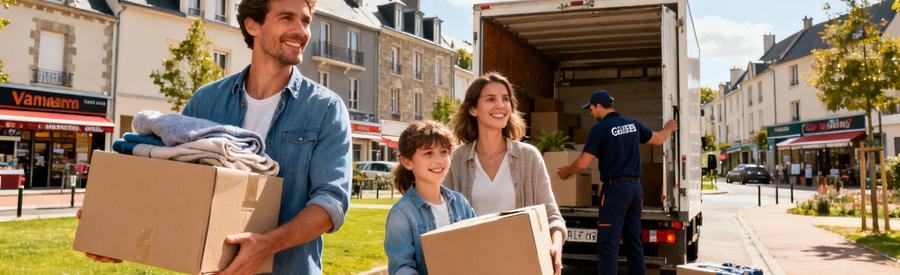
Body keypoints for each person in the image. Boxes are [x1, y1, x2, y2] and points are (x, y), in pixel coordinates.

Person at [81, 0, 352, 274]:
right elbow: (173, 183)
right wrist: (116, 232)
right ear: (252, 25)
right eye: (287, 18)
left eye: (305, 21)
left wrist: (267, 245)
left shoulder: (325, 109)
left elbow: (331, 203)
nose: (301, 31)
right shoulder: (206, 101)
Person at [444, 72, 566, 275]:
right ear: (473, 109)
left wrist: (556, 247)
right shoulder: (457, 160)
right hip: (473, 266)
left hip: (521, 265)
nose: (501, 105)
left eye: (506, 99)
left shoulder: (529, 157)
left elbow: (553, 217)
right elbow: (443, 219)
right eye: (490, 99)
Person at [557, 90, 677, 275]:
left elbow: (582, 163)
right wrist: (669, 127)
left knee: (608, 244)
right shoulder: (632, 124)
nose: (590, 112)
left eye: (591, 108)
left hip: (615, 191)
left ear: (598, 105)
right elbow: (659, 139)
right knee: (633, 241)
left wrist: (566, 171)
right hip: (635, 190)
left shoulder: (600, 129)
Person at [384, 120, 476, 274]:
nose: (439, 160)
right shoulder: (402, 214)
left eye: (444, 152)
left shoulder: (461, 203)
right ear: (407, 162)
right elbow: (401, 267)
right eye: (428, 153)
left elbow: (477, 247)